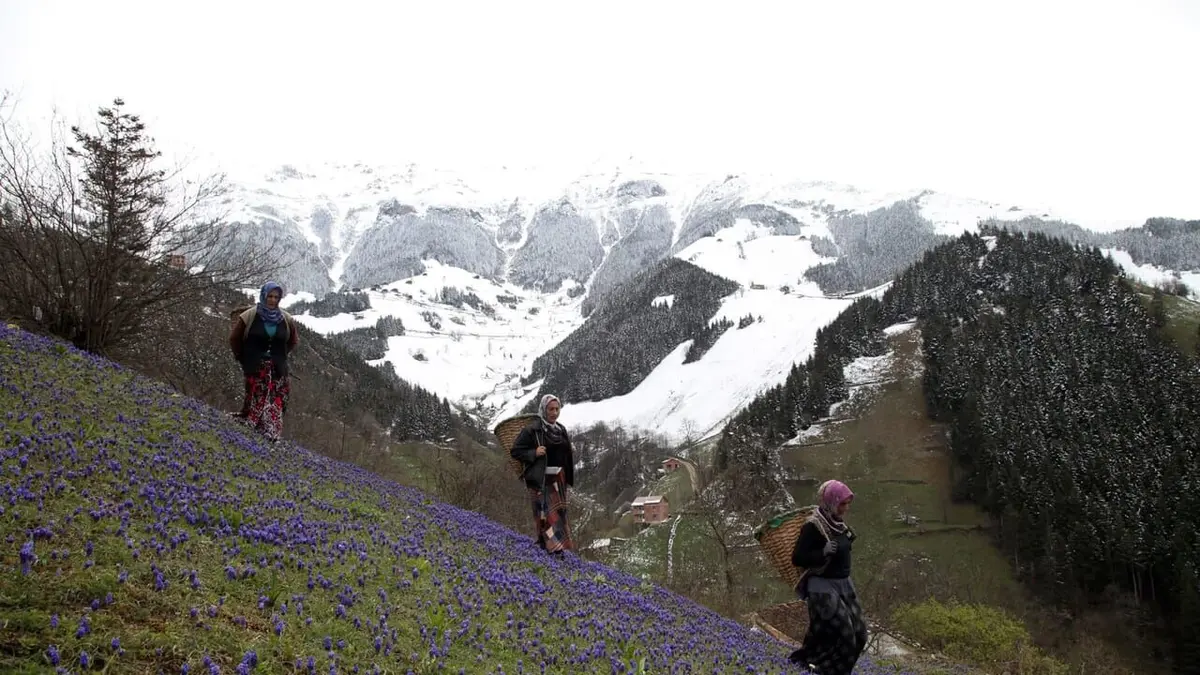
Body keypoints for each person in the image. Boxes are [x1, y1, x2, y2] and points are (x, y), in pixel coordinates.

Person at [788, 479, 868, 674]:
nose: (845, 508)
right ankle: (824, 670)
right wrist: (822, 552)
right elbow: (798, 558)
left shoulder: (838, 523)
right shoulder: (813, 525)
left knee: (860, 634)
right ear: (830, 501)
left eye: (847, 503)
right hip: (822, 587)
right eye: (842, 503)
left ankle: (821, 666)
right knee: (845, 635)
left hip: (844, 585)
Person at [229, 282, 299, 442]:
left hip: (278, 368)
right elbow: (235, 338)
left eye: (276, 297)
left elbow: (293, 341)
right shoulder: (249, 316)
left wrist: (280, 355)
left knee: (276, 400)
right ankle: (254, 425)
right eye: (270, 296)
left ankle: (271, 431)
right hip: (255, 366)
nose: (273, 300)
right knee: (257, 396)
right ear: (263, 296)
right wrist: (242, 356)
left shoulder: (286, 318)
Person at [510, 394, 576, 553]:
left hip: (558, 479)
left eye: (557, 409)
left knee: (558, 515)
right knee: (545, 516)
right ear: (543, 410)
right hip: (541, 479)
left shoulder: (561, 429)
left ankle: (552, 549)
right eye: (550, 409)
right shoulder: (532, 429)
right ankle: (550, 550)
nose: (554, 412)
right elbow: (516, 451)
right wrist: (534, 452)